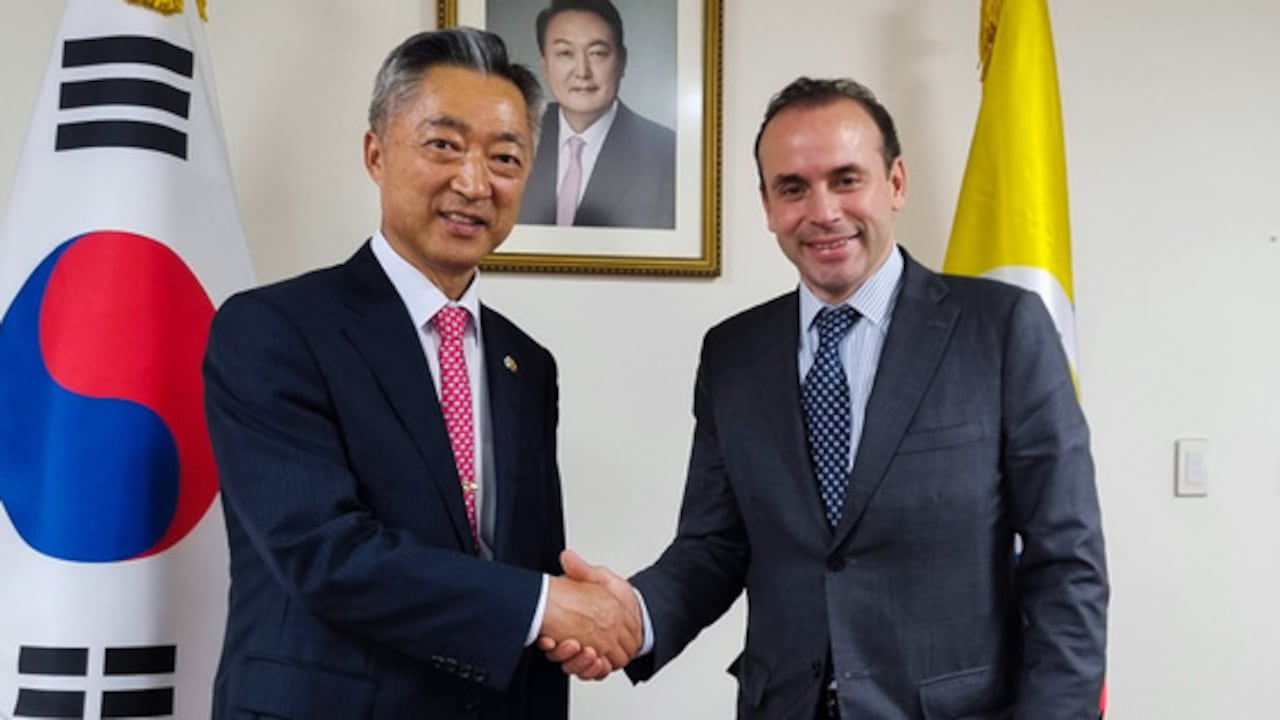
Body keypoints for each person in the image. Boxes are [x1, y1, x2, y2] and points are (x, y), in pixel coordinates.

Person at [544, 77, 1109, 718]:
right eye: (793, 187)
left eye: (846, 179)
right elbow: (716, 546)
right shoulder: (734, 352)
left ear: (895, 182)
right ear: (766, 204)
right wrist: (635, 614)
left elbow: (1066, 562)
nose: (822, 211)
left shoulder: (1002, 328)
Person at [202, 28, 640, 719]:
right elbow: (324, 552)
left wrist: (564, 622)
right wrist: (544, 606)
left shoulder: (528, 364)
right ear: (376, 153)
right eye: (443, 144)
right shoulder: (272, 329)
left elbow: (522, 571)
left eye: (504, 156)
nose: (474, 182)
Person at [517, 0, 676, 229]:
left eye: (597, 53)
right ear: (545, 64)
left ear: (622, 61)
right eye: (565, 53)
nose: (582, 71)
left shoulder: (667, 154)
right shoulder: (517, 136)